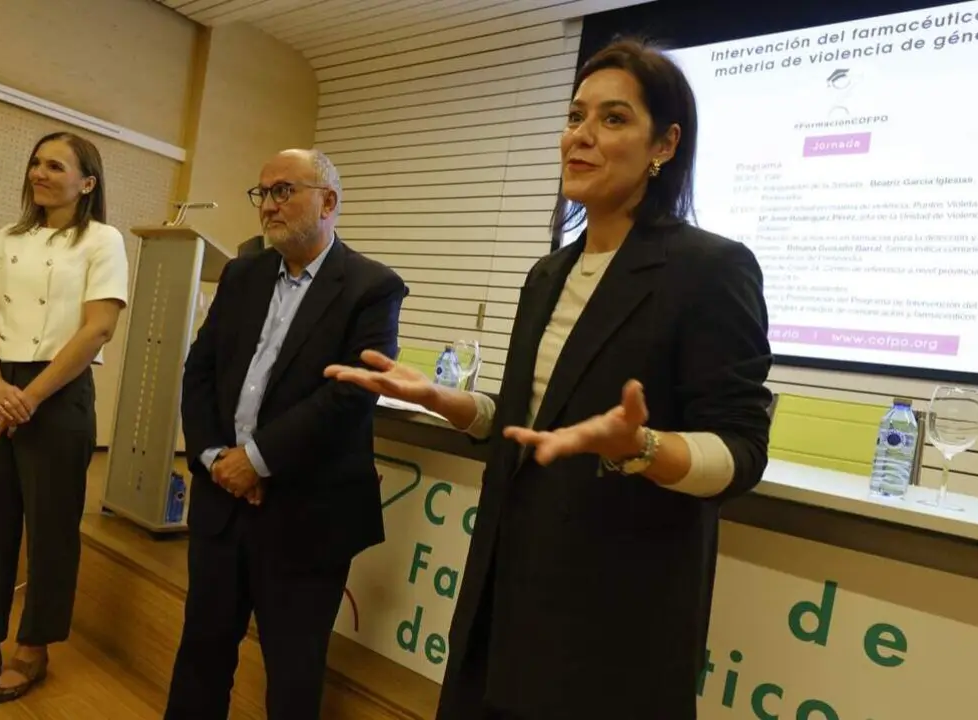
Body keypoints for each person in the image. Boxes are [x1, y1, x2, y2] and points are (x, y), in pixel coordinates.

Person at [325, 38, 773, 719]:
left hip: (612, 623)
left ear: (665, 144)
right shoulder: (548, 274)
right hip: (503, 592)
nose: (581, 137)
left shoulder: (711, 269)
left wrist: (641, 448)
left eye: (613, 119)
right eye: (574, 116)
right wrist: (449, 402)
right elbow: (531, 415)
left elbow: (742, 453)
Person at [166, 149, 407, 719]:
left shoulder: (373, 287)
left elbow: (352, 393)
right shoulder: (243, 273)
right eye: (263, 193)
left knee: (293, 673)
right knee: (201, 655)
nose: (268, 206)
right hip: (223, 503)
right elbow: (199, 371)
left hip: (307, 514)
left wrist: (257, 459)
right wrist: (214, 458)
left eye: (283, 192)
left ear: (328, 202)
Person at [0, 131, 129, 706]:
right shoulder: (9, 237)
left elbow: (98, 328)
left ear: (86, 183)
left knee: (52, 527)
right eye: (35, 162)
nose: (39, 172)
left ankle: (33, 648)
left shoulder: (103, 241)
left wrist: (29, 397)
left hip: (57, 390)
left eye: (55, 165)